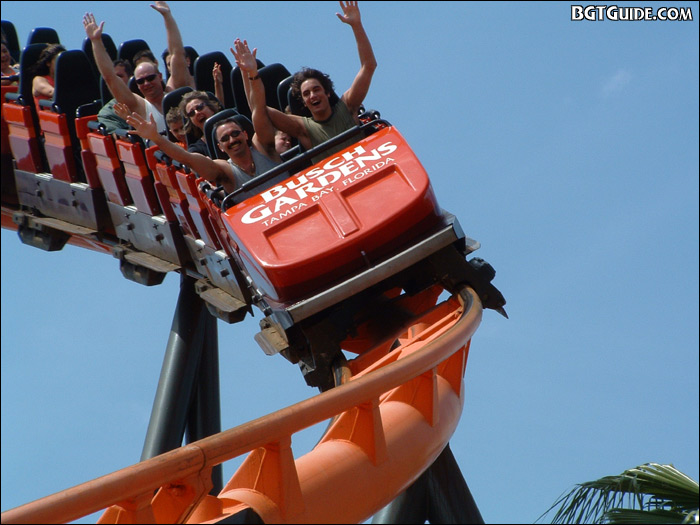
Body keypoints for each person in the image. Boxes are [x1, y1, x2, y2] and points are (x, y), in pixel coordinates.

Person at [243, 1, 376, 164]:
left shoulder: (347, 107)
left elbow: (368, 66)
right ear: (304, 103)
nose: (313, 95)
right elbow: (257, 108)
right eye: (306, 94)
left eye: (316, 89)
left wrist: (357, 25)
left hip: (369, 171)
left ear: (327, 92)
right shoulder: (303, 129)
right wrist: (250, 73)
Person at [83, 1, 192, 135]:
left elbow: (177, 54)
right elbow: (109, 77)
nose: (146, 83)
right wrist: (96, 42)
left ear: (159, 76)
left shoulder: (174, 94)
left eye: (150, 78)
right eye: (140, 81)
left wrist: (167, 17)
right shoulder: (139, 106)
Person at [122, 105, 281, 194]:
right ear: (220, 147)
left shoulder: (263, 148)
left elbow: (258, 110)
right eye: (225, 139)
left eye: (235, 134)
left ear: (245, 134)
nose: (232, 140)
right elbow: (186, 158)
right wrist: (156, 138)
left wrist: (252, 74)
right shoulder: (225, 170)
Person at [178, 90, 222, 156]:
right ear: (191, 121)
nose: (197, 113)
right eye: (192, 113)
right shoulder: (196, 150)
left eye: (200, 107)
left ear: (211, 108)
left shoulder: (235, 127)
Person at [97, 59, 133, 133]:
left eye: (119, 76)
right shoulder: (106, 114)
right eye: (112, 78)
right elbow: (121, 139)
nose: (115, 81)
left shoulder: (147, 100)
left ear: (130, 78)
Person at [30, 43, 65, 114]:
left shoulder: (66, 80)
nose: (62, 64)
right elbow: (51, 92)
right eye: (58, 61)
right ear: (48, 63)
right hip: (49, 121)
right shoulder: (38, 80)